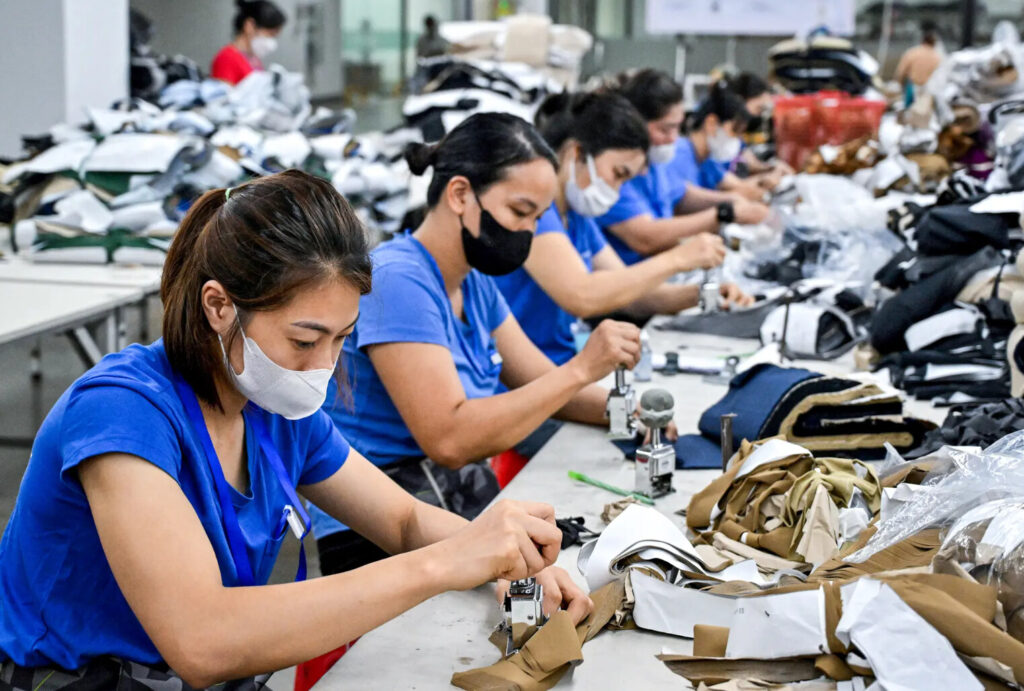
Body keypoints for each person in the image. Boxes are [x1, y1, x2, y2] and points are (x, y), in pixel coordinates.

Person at [0, 170, 590, 690]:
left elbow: (404, 520)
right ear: (219, 306)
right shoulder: (122, 413)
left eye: (340, 340)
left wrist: (504, 558)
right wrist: (445, 564)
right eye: (304, 340)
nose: (322, 368)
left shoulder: (274, 409)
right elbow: (202, 642)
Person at [309, 113, 643, 577]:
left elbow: (541, 380)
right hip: (374, 528)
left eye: (537, 219)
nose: (528, 233)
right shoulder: (397, 281)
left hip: (444, 499)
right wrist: (582, 369)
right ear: (461, 194)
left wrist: (631, 414)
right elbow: (449, 438)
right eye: (520, 212)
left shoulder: (473, 283)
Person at [493, 91, 752, 367]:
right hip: (527, 375)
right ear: (576, 153)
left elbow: (633, 297)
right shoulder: (535, 216)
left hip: (558, 365)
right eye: (618, 174)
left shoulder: (578, 218)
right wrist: (678, 259)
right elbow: (581, 295)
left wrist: (703, 294)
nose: (616, 191)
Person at [595, 69, 769, 266]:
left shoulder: (654, 163)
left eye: (677, 127)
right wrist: (723, 214)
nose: (673, 139)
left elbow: (681, 194)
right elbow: (644, 237)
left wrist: (731, 201)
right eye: (665, 129)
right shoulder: (613, 172)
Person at [670, 83, 768, 203]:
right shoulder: (677, 155)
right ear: (711, 123)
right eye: (735, 131)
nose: (737, 140)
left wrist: (767, 177)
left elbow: (740, 186)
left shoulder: (707, 161)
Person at [211, 0, 286, 85]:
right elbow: (223, 92)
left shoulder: (254, 60)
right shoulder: (226, 58)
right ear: (250, 25)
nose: (271, 41)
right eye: (270, 34)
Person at [894, 20, 943, 89]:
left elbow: (901, 72)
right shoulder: (937, 57)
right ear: (934, 43)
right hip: (930, 89)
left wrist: (899, 84)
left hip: (913, 87)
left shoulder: (912, 53)